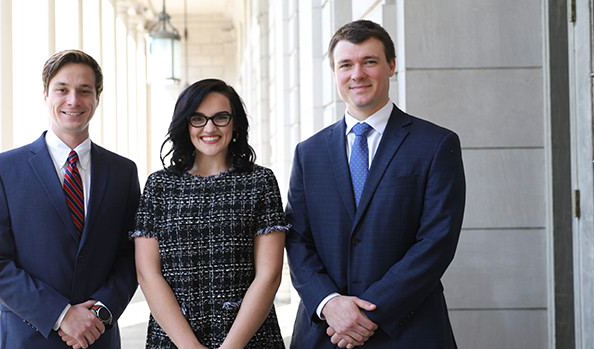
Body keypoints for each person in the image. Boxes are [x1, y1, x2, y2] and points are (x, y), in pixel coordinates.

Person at [285, 20, 466, 348]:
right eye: (346, 65)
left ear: (391, 66)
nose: (357, 74)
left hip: (409, 330)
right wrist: (330, 303)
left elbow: (437, 240)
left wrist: (370, 313)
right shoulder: (308, 153)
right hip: (325, 333)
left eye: (369, 61)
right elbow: (297, 240)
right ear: (334, 72)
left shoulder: (436, 144)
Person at [0, 49, 140, 349]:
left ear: (97, 98)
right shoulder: (1, 170)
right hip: (26, 339)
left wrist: (100, 313)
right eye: (62, 90)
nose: (73, 100)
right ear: (46, 95)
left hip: (97, 338)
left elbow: (131, 257)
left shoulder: (123, 173)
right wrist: (61, 314)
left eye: (84, 91)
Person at [132, 78, 287, 348]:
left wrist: (231, 346)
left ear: (235, 122)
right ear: (186, 124)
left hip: (250, 338)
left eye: (220, 117)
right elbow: (148, 274)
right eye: (198, 119)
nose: (210, 128)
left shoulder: (260, 182)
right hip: (173, 339)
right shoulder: (159, 185)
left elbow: (269, 275)